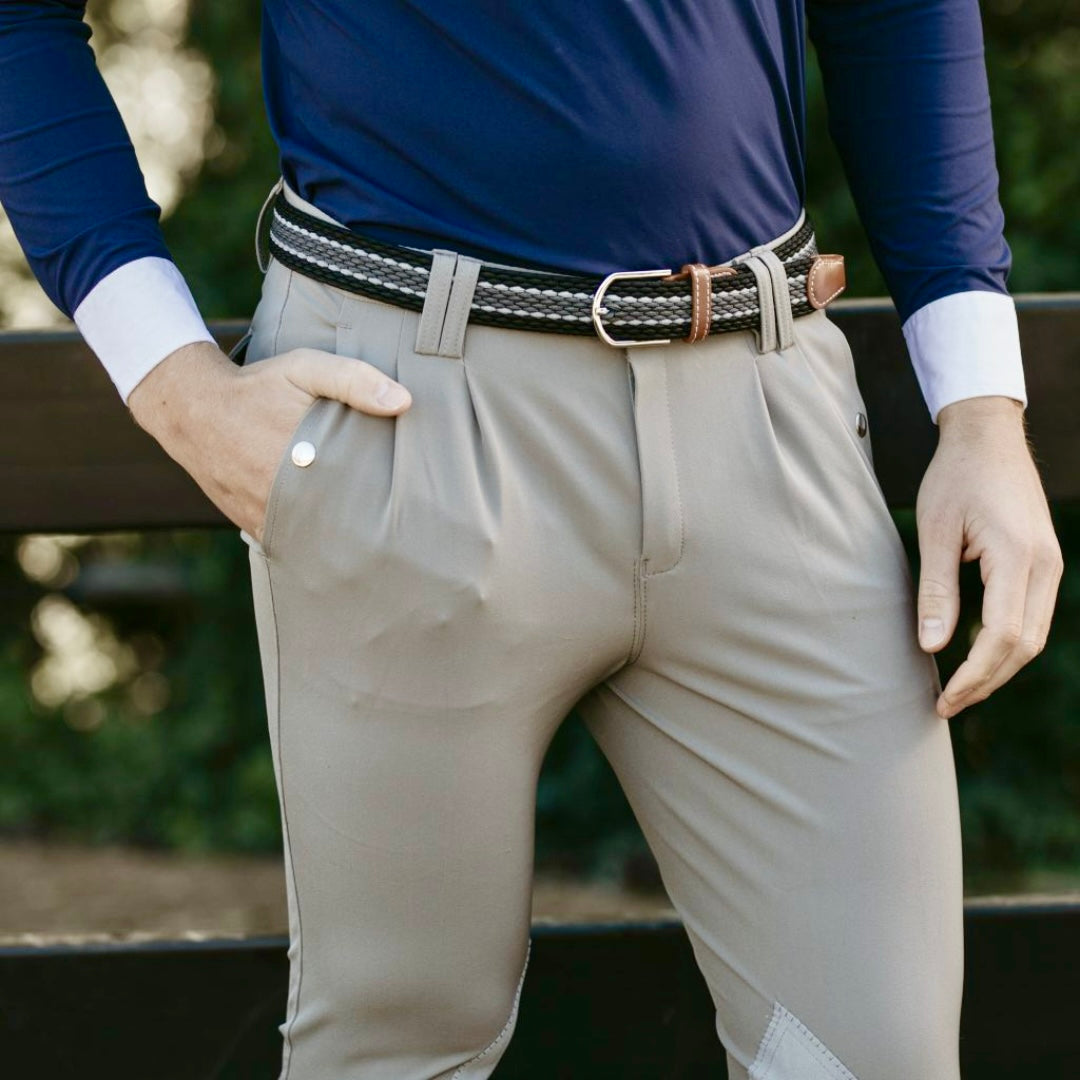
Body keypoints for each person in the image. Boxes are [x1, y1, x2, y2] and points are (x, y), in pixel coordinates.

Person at [0, 3, 1063, 1078]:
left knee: (871, 1056)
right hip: (407, 412)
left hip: (769, 405)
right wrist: (178, 389)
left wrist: (980, 408)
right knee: (398, 1051)